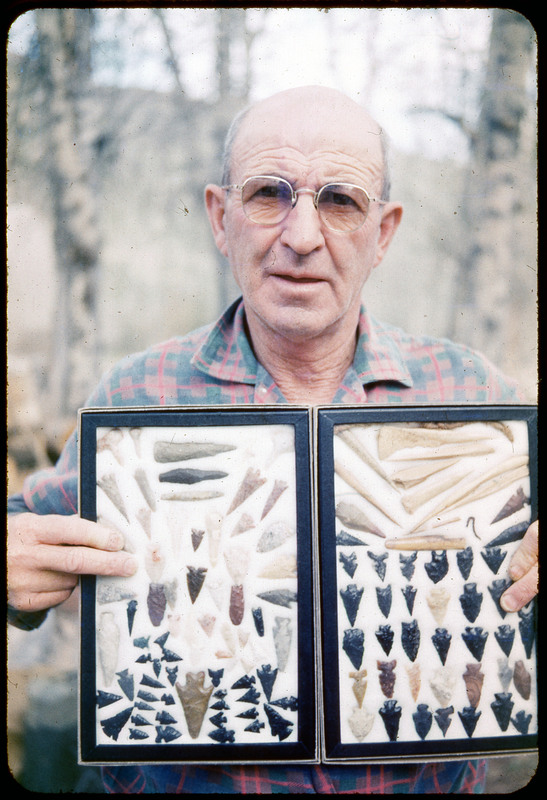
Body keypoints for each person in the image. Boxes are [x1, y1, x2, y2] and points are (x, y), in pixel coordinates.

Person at [8, 86, 537, 793]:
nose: (301, 236)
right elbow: (31, 527)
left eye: (341, 201)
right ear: (220, 218)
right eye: (268, 194)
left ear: (382, 233)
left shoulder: (473, 396)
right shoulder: (137, 396)